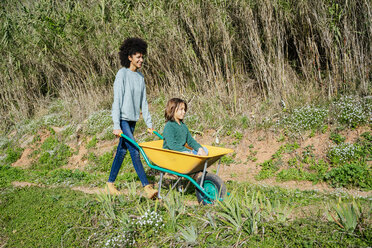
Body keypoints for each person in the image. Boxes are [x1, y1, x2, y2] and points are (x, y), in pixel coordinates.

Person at [107, 37, 158, 199]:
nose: (141, 60)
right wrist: (116, 124)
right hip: (122, 119)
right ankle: (146, 186)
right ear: (129, 57)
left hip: (133, 120)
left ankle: (110, 184)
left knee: (122, 151)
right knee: (135, 149)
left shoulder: (140, 77)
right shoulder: (122, 74)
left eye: (142, 57)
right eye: (138, 57)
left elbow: (144, 102)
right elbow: (117, 101)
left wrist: (149, 124)